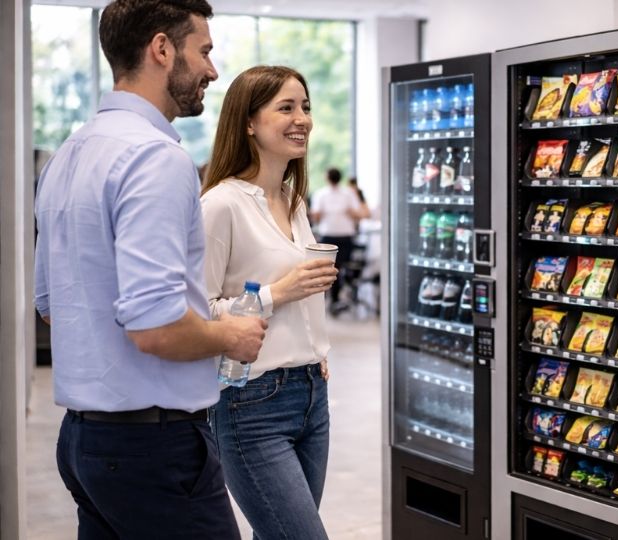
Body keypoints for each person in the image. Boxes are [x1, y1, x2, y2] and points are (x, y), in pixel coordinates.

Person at [33, 1, 267, 538]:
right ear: (162, 49)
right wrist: (229, 333)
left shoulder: (68, 155)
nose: (212, 69)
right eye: (203, 51)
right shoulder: (155, 158)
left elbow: (51, 309)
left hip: (84, 443)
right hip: (154, 450)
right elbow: (156, 328)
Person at [201, 65, 339, 540]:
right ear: (248, 122)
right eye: (286, 107)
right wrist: (279, 293)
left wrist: (317, 351)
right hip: (250, 402)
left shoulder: (293, 199)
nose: (302, 118)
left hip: (311, 396)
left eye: (305, 107)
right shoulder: (221, 205)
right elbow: (197, 311)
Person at [310, 167, 370, 311]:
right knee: (339, 268)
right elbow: (358, 214)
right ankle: (335, 299)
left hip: (328, 236)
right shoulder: (348, 194)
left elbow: (316, 217)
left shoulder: (320, 194)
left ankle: (329, 299)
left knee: (327, 269)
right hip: (344, 237)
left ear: (327, 178)